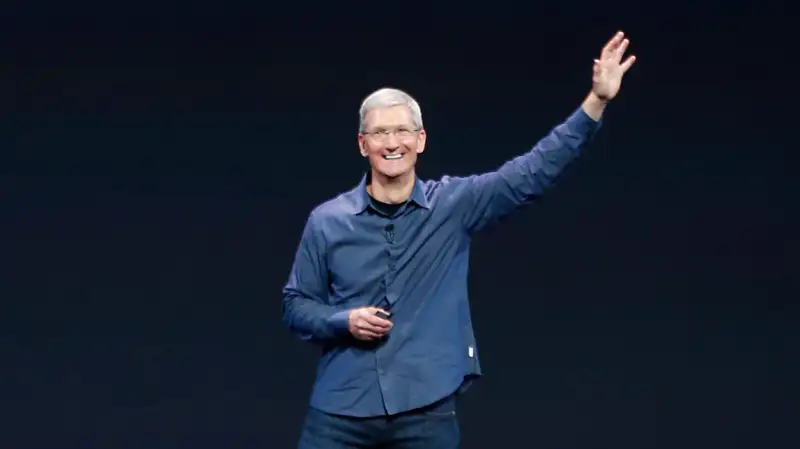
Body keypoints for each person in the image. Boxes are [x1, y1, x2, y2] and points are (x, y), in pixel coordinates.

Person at [282, 31, 637, 448]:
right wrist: (343, 321)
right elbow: (296, 305)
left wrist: (596, 102)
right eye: (379, 134)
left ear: (420, 140)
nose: (392, 143)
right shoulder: (327, 221)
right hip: (341, 410)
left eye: (402, 131)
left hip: (425, 411)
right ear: (363, 145)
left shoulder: (454, 204)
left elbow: (532, 172)